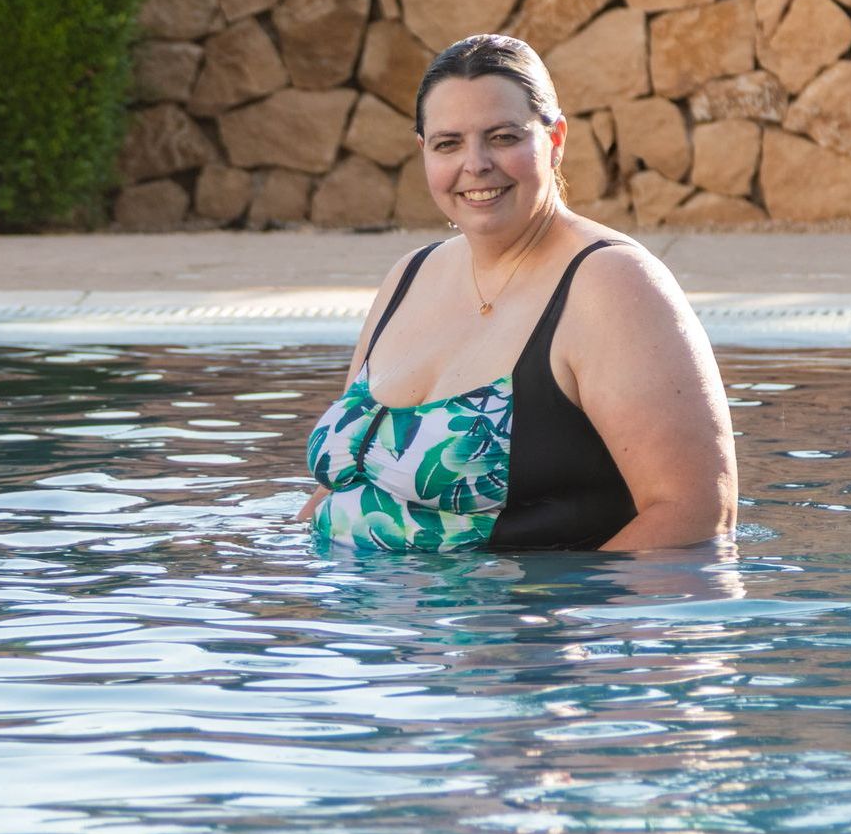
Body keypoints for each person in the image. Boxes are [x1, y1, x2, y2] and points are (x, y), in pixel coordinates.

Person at [298, 33, 738, 553]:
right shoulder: (410, 275)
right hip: (360, 622)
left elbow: (694, 514)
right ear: (424, 152)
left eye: (504, 137)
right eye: (448, 144)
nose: (476, 163)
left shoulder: (612, 284)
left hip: (513, 621)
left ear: (555, 141)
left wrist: (560, 615)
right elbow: (343, 483)